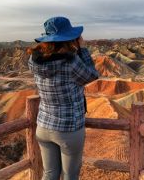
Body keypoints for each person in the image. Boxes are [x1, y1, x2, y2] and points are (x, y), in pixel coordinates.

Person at [27, 16, 99, 180]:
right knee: (70, 175)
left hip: (43, 126)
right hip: (68, 129)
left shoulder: (34, 60)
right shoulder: (70, 62)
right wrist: (83, 49)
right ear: (69, 38)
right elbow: (92, 75)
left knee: (50, 174)